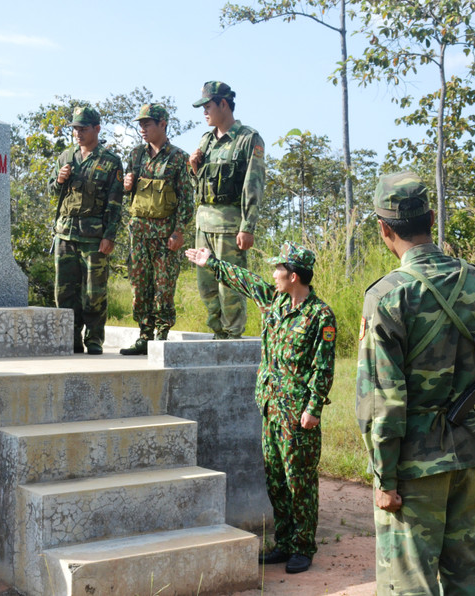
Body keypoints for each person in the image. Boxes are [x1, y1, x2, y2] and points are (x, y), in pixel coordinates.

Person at [355, 172, 475, 595]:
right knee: (465, 583)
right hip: (468, 454)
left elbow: (382, 401)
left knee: (409, 586)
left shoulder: (388, 295)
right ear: (430, 217)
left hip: (413, 465)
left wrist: (384, 478)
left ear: (384, 228)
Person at [185, 241, 336, 574]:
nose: (273, 274)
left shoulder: (319, 315)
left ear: (293, 275)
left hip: (298, 413)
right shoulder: (275, 300)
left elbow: (323, 366)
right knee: (276, 478)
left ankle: (302, 546)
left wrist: (313, 408)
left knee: (300, 481)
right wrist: (213, 264)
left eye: (278, 269)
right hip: (270, 406)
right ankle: (284, 542)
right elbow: (245, 280)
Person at [188, 81, 265, 339]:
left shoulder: (247, 139)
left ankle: (233, 338)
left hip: (230, 227)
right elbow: (198, 186)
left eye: (208, 106)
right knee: (206, 287)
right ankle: (219, 336)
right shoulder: (206, 141)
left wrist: (248, 227)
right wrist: (194, 168)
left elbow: (253, 186)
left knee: (230, 287)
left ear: (223, 104)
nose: (204, 112)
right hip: (204, 225)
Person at [47, 106, 123, 355]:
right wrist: (59, 180)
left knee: (94, 292)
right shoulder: (66, 157)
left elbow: (114, 203)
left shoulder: (110, 162)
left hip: (93, 236)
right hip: (65, 234)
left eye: (83, 128)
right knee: (64, 292)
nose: (78, 133)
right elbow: (52, 192)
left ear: (97, 129)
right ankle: (70, 339)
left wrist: (110, 235)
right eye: (75, 129)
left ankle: (93, 339)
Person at [118, 103, 193, 356]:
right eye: (140, 124)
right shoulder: (136, 154)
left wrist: (179, 231)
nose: (142, 128)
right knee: (140, 287)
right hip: (138, 233)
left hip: (164, 235)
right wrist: (126, 185)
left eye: (147, 124)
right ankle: (144, 335)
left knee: (163, 287)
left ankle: (161, 335)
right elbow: (129, 191)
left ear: (162, 124)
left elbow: (186, 198)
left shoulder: (178, 158)